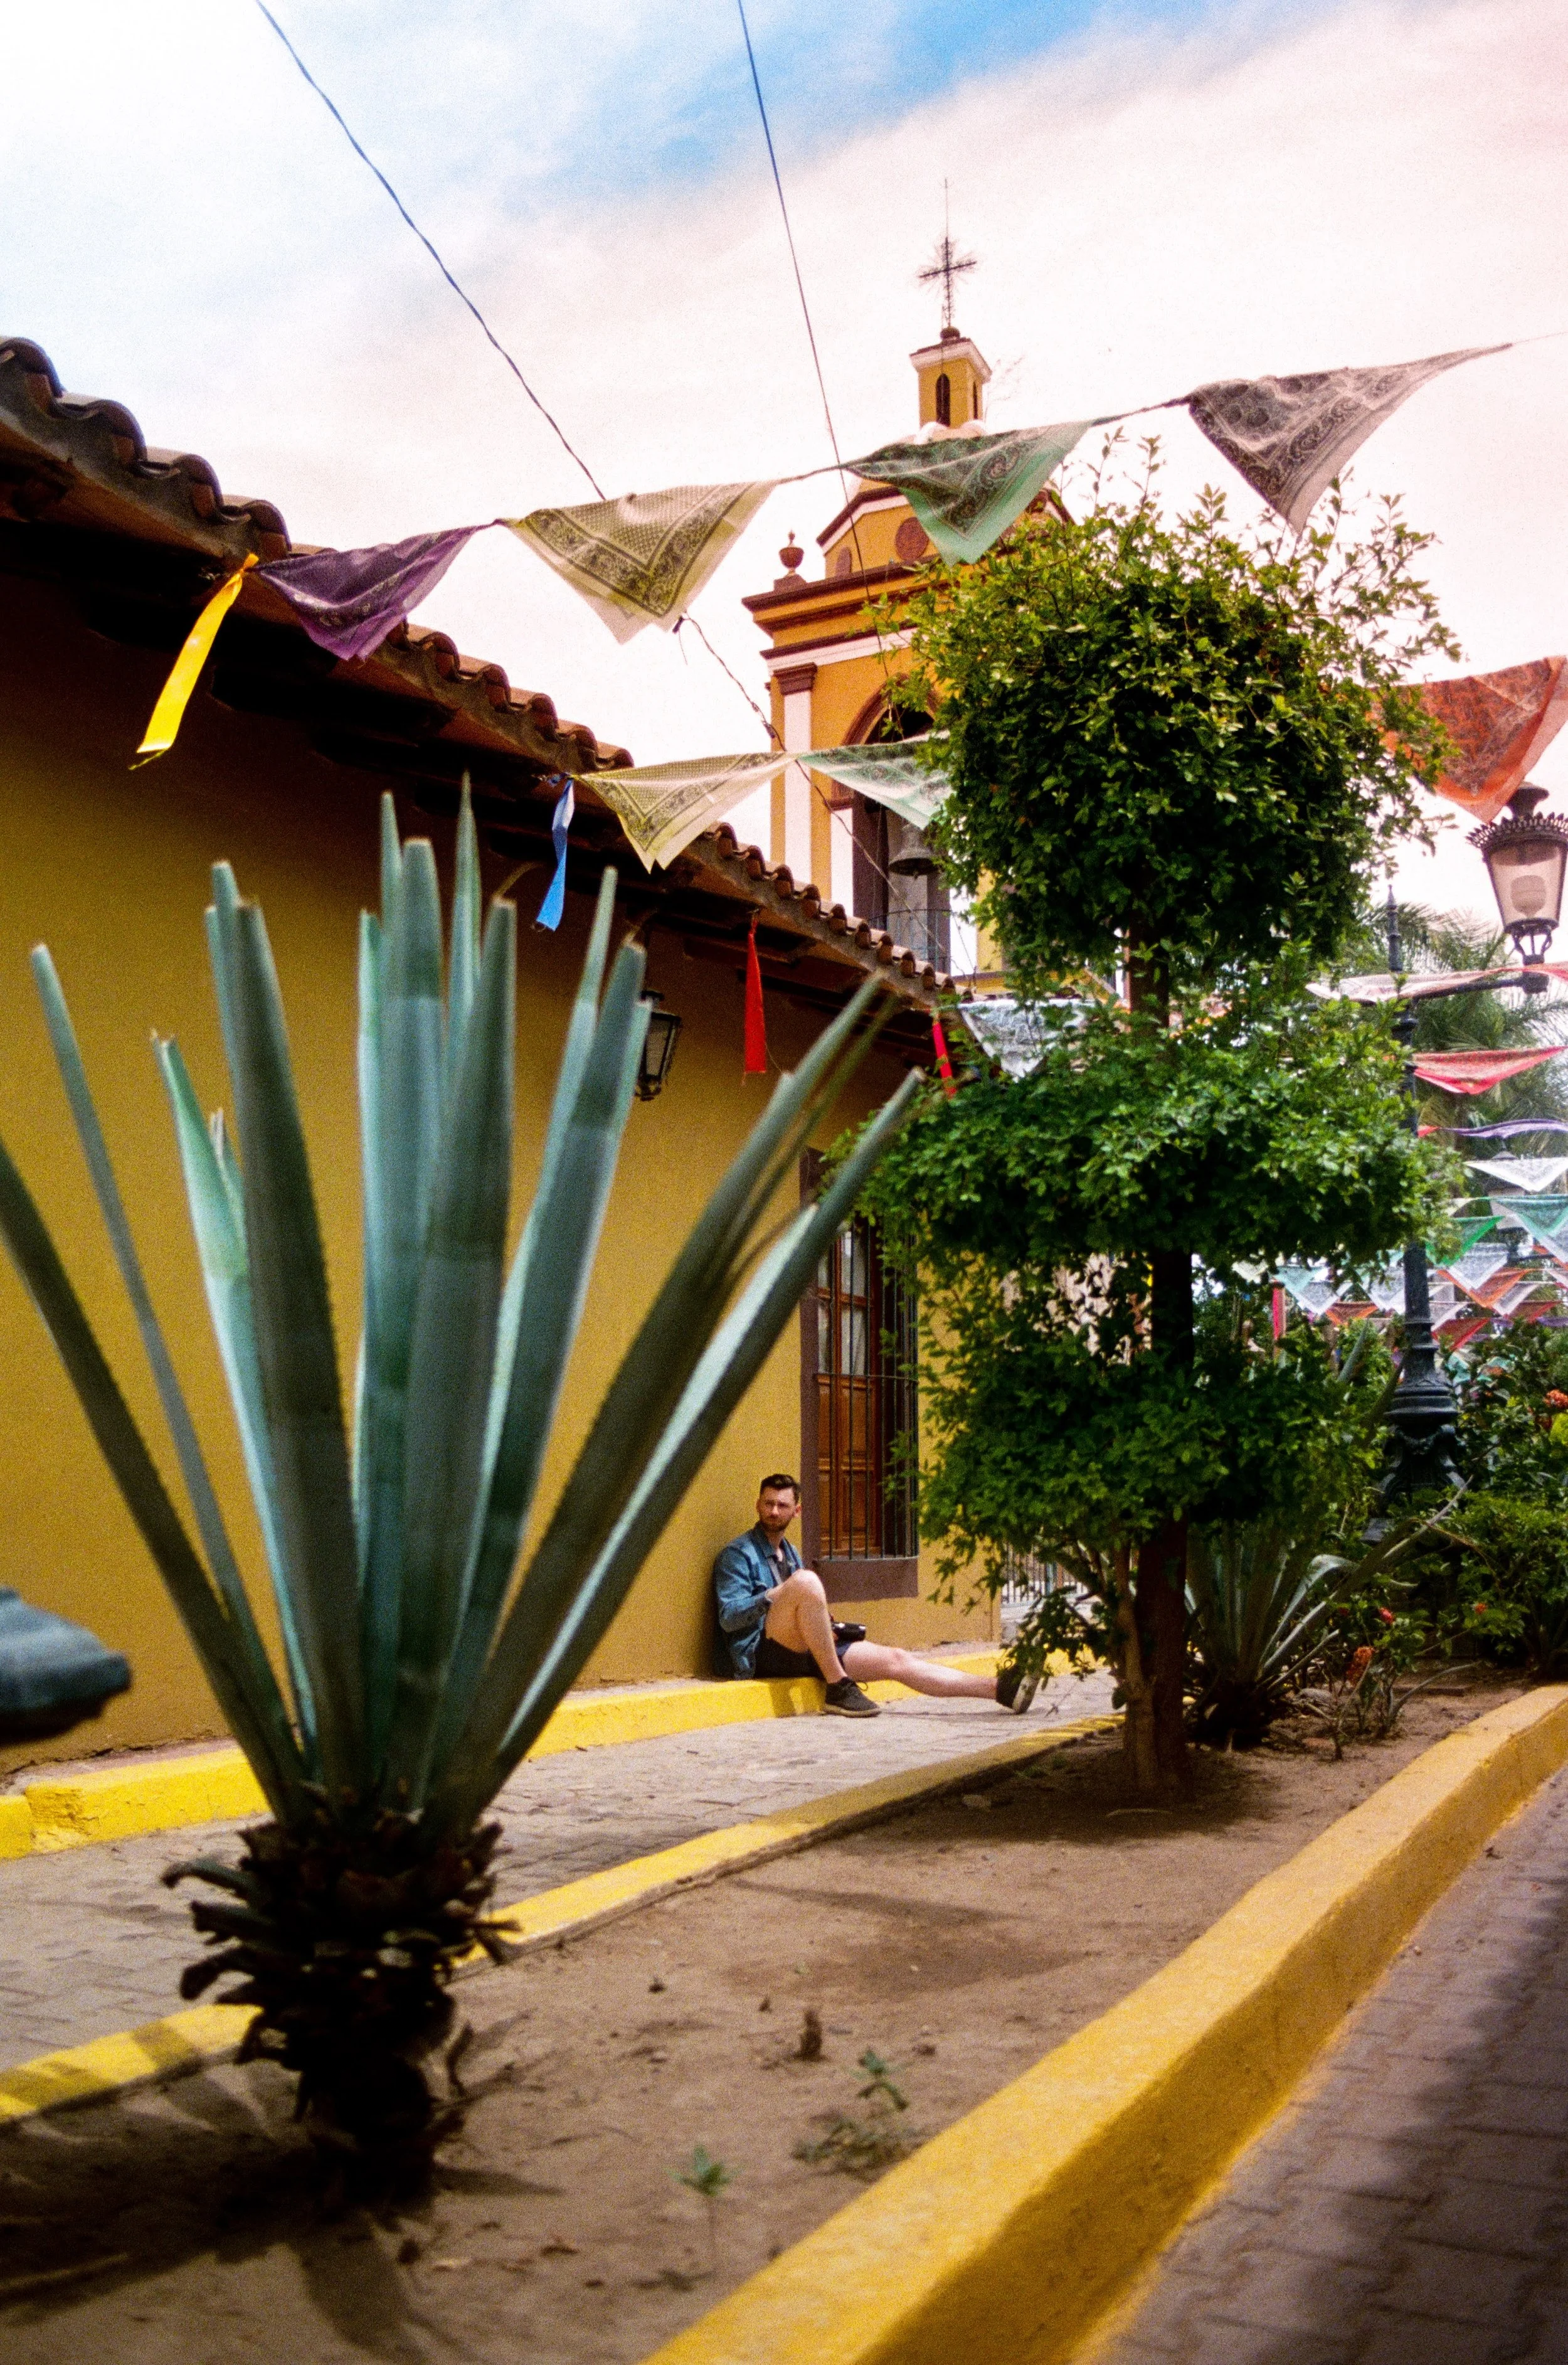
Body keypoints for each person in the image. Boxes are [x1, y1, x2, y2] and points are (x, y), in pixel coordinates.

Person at [712, 1472, 1039, 1719]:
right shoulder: (737, 1554)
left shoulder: (791, 1552)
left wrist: (826, 1624)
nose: (773, 1511)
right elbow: (729, 1619)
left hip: (806, 1650)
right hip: (761, 1653)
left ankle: (1001, 1690)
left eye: (781, 1505)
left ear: (796, 1511)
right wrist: (775, 1594)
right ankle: (839, 1687)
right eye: (767, 1503)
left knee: (897, 1659)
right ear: (758, 1504)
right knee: (807, 1581)